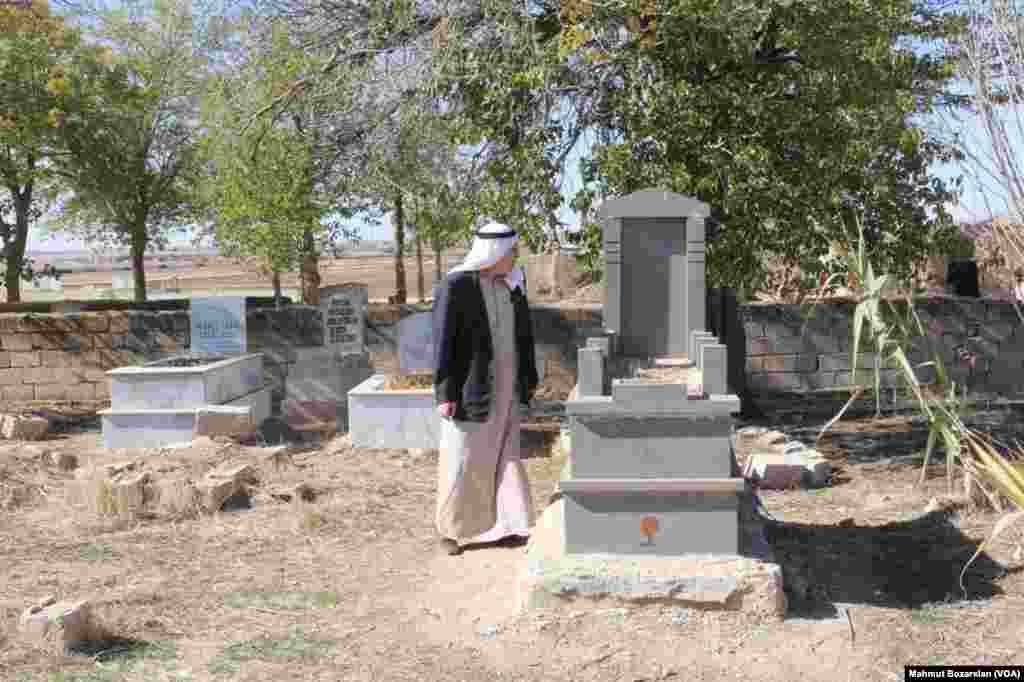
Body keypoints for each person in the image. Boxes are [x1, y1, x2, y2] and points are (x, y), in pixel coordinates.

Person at [432, 221, 540, 556]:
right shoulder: (456, 286)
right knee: (464, 458)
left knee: (506, 456)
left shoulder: (513, 286)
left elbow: (525, 338)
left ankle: (506, 526)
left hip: (508, 388)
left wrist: (528, 382)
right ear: (494, 252)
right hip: (472, 389)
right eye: (511, 252)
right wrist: (445, 393)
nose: (514, 257)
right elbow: (443, 342)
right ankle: (451, 531)